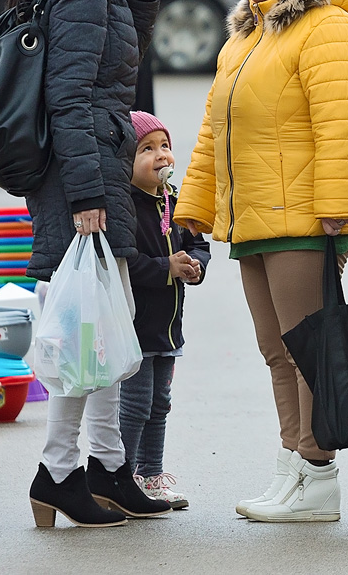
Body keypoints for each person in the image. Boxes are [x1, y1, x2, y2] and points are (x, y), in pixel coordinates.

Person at [173, 0, 348, 523]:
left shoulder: (328, 27)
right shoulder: (248, 33)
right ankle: (293, 468)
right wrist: (194, 208)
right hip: (253, 219)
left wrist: (336, 208)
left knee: (309, 351)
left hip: (303, 222)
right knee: (277, 350)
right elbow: (215, 130)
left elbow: (343, 125)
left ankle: (318, 474)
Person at [12, 0, 169, 528]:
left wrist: (141, 4)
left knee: (108, 324)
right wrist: (84, 196)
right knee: (86, 332)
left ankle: (106, 466)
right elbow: (70, 95)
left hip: (96, 167)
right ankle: (57, 472)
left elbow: (110, 72)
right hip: (84, 177)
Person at [118, 112, 211, 510]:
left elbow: (198, 243)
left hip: (168, 328)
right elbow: (126, 263)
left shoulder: (176, 201)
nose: (161, 156)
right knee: (135, 404)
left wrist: (195, 265)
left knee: (160, 403)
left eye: (165, 146)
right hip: (136, 327)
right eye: (147, 149)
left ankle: (151, 476)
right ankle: (121, 478)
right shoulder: (124, 207)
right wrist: (165, 268)